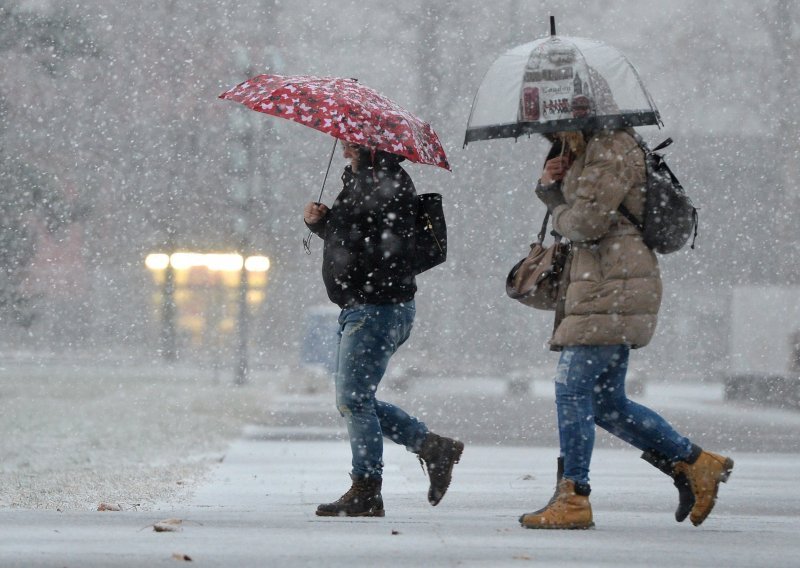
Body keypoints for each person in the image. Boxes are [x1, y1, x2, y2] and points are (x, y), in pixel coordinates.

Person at [518, 127, 734, 530]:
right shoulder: (592, 148)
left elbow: (586, 223)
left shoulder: (609, 147)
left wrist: (553, 193)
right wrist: (556, 181)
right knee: (605, 403)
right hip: (605, 283)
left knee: (572, 389)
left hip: (612, 285)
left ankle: (574, 496)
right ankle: (696, 463)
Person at [304, 141, 463, 518]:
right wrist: (322, 223)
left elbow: (380, 251)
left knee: (354, 401)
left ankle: (367, 489)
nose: (344, 152)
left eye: (350, 146)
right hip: (368, 307)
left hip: (376, 309)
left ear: (367, 147)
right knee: (357, 400)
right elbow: (360, 244)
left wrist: (332, 224)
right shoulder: (368, 182)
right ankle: (431, 447)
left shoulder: (384, 184)